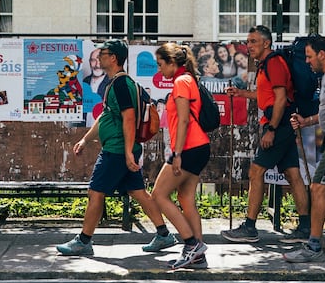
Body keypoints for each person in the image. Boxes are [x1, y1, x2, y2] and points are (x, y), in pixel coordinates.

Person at [56, 39, 177, 256]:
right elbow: (106, 115)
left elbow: (129, 119)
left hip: (118, 150)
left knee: (95, 192)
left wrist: (128, 151)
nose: (99, 56)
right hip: (123, 148)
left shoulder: (121, 84)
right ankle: (164, 235)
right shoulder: (117, 82)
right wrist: (86, 139)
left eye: (103, 53)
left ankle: (84, 241)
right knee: (138, 192)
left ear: (113, 58)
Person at [221, 25, 310, 244]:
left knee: (256, 171)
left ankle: (250, 227)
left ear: (266, 43)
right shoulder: (266, 65)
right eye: (248, 41)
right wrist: (241, 93)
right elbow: (267, 96)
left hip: (278, 124)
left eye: (253, 41)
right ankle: (306, 228)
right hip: (283, 123)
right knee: (293, 174)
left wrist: (271, 129)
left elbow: (280, 99)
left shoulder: (274, 63)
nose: (248, 46)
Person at [283, 35, 325, 263]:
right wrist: (306, 122)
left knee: (318, 188)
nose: (308, 62)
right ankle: (315, 241)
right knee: (318, 187)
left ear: (322, 54)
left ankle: (313, 245)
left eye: (310, 57)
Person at [151, 43, 210, 269]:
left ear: (172, 62)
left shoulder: (181, 81)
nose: (159, 70)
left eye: (160, 64)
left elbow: (184, 119)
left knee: (158, 195)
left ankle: (192, 244)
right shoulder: (186, 80)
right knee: (186, 199)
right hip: (196, 146)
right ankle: (198, 255)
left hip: (189, 148)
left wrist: (177, 154)